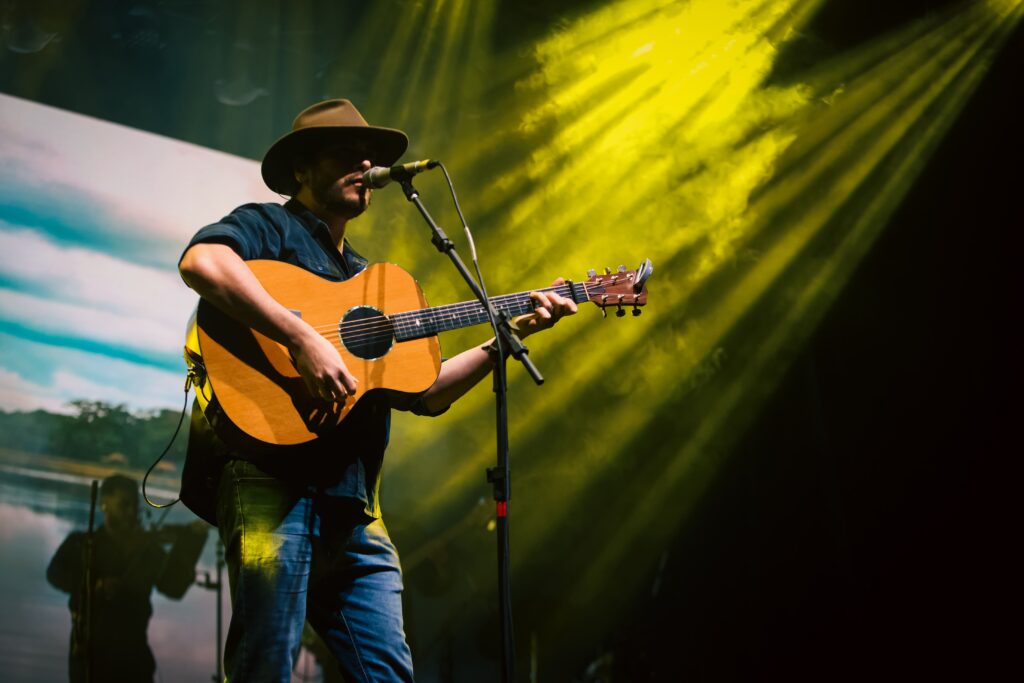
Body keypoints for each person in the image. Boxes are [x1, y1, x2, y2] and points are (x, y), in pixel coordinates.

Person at [177, 98, 576, 682]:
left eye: (369, 155)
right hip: (271, 481)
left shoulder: (375, 281)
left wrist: (505, 339)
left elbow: (429, 391)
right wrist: (297, 336)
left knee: (390, 674)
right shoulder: (270, 225)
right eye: (345, 152)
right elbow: (202, 261)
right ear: (302, 170)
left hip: (354, 506)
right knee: (266, 666)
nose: (365, 163)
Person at [46, 474, 209, 682]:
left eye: (134, 505)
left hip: (134, 659)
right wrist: (96, 585)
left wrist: (190, 544)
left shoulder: (149, 551)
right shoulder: (82, 543)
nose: (131, 512)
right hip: (90, 659)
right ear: (104, 503)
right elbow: (55, 574)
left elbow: (173, 588)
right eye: (124, 505)